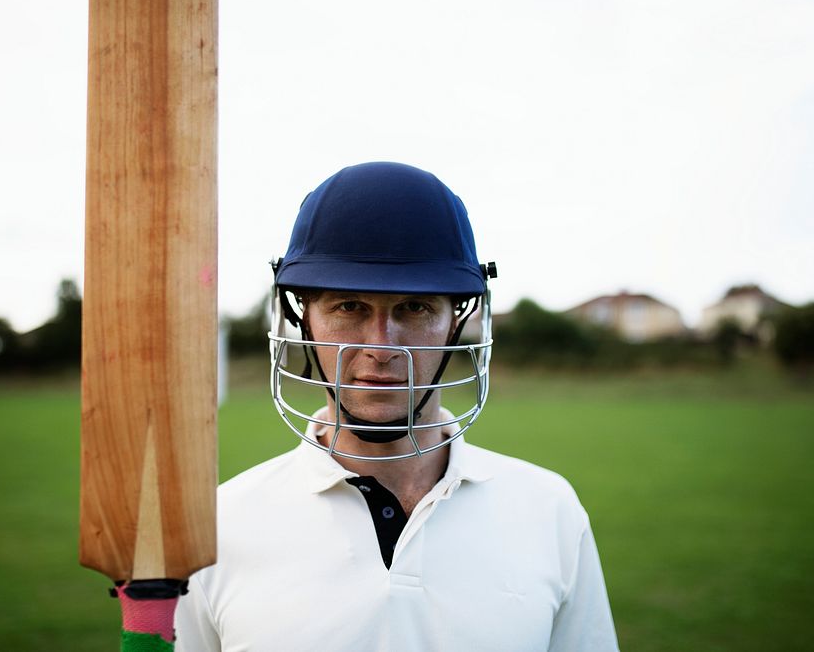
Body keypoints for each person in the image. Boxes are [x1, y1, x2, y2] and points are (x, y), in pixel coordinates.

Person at [174, 162, 619, 651]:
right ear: (304, 320)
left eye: (415, 308)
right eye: (349, 307)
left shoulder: (548, 510)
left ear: (457, 321)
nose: (381, 347)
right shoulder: (221, 524)